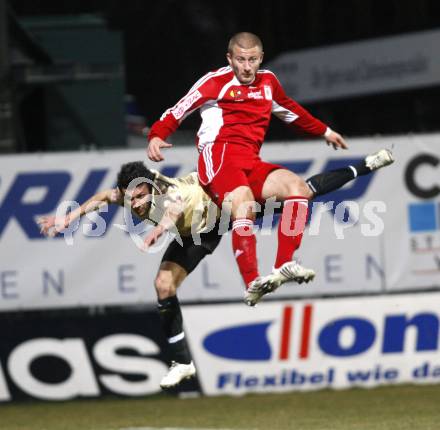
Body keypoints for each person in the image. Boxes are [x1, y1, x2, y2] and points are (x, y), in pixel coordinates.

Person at [38, 150, 393, 389]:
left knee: (304, 191)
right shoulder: (129, 192)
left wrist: (159, 230)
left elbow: (174, 210)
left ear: (151, 187)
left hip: (218, 212)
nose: (135, 203)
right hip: (192, 234)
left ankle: (366, 165)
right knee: (163, 286)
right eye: (131, 198)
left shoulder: (164, 192)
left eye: (140, 197)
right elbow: (101, 198)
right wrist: (65, 218)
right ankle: (182, 363)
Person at [146, 32, 349, 307]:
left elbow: (289, 110)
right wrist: (157, 136)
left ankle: (284, 265)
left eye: (252, 60)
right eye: (240, 60)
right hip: (218, 156)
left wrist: (324, 130)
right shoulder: (214, 82)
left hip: (250, 161)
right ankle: (252, 281)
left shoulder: (268, 83)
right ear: (230, 59)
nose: (246, 66)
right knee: (244, 203)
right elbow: (177, 111)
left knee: (297, 188)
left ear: (260, 59)